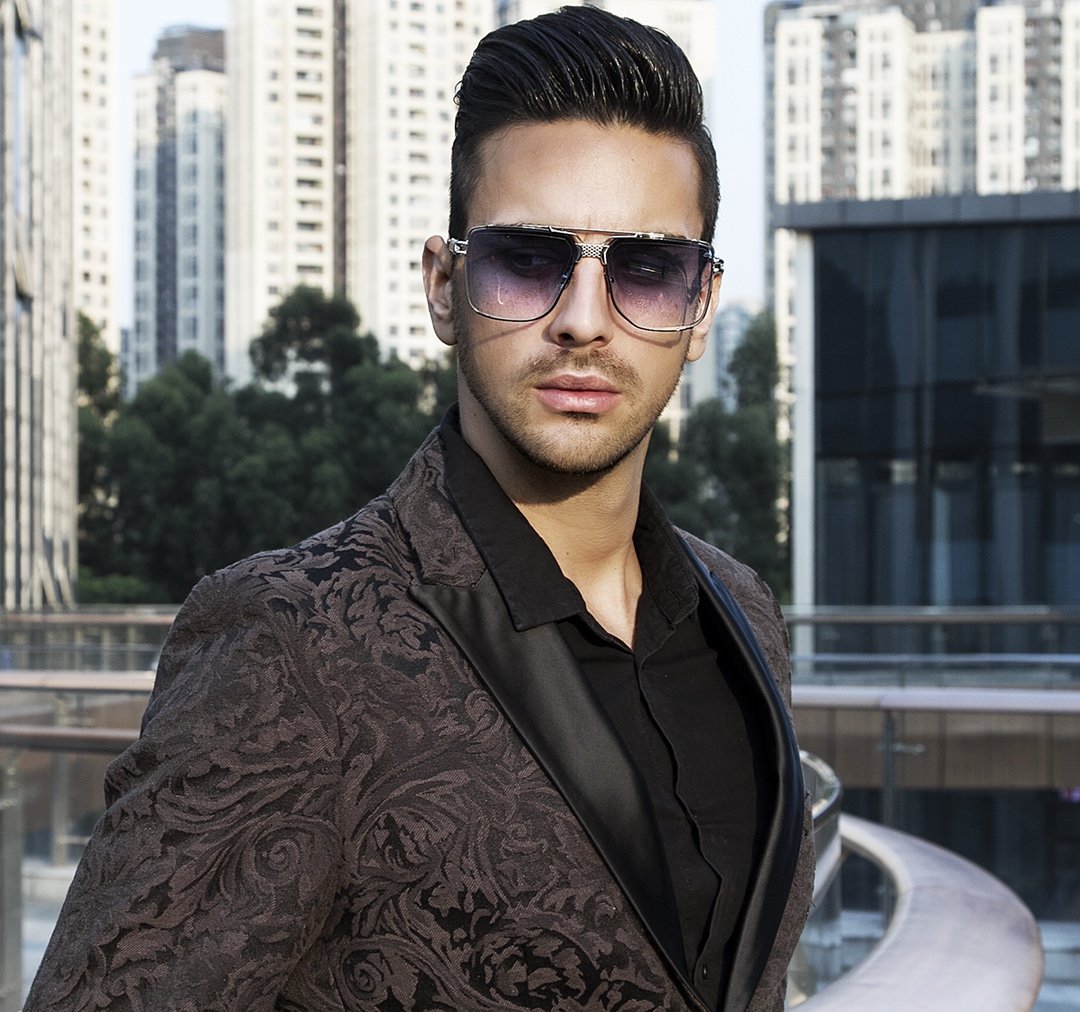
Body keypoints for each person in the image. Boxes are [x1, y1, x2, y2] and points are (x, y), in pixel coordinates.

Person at [28, 7, 812, 1011]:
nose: (583, 320)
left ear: (700, 306)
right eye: (527, 261)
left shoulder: (741, 612)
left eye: (647, 269)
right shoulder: (290, 639)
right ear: (444, 285)